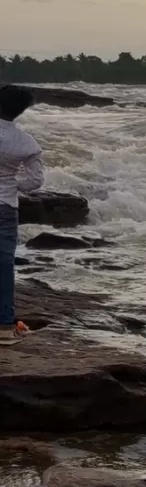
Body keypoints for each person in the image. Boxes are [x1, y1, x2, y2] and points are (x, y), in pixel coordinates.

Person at [0, 84, 44, 344]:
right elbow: (36, 181)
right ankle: (4, 328)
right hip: (5, 205)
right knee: (4, 267)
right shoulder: (26, 142)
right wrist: (13, 184)